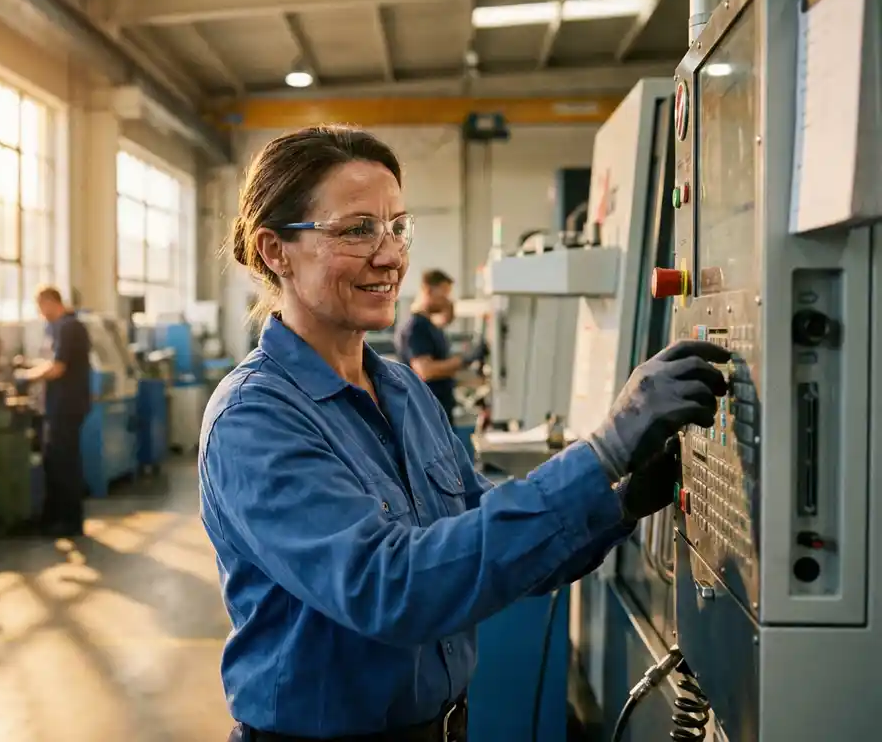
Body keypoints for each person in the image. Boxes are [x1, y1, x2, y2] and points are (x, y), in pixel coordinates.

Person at [199, 125, 730, 742]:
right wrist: (602, 451)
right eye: (356, 229)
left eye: (397, 226)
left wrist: (621, 502)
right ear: (275, 250)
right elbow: (391, 588)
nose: (391, 254)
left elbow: (485, 541)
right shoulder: (254, 418)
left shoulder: (400, 390)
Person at [19, 285, 92, 538]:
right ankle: (54, 517)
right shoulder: (61, 328)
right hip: (60, 405)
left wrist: (27, 377)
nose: (41, 313)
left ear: (51, 302)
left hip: (67, 406)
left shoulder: (69, 327)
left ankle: (70, 521)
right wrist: (32, 367)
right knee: (54, 460)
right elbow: (52, 362)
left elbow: (58, 367)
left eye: (41, 307)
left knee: (65, 462)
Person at [396, 270, 483, 424]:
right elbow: (426, 370)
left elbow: (444, 320)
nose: (447, 300)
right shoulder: (416, 328)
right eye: (444, 294)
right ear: (428, 290)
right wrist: (464, 360)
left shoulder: (431, 326)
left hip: (440, 412)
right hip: (426, 417)